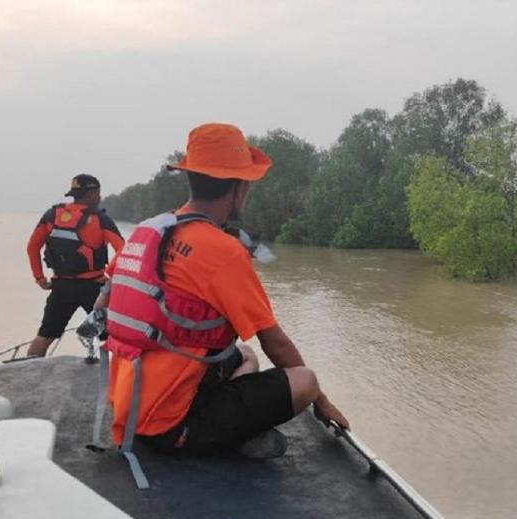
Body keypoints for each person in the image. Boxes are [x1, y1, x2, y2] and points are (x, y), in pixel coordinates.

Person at [105, 123, 349, 460]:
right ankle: (224, 437)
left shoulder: (149, 232)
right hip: (170, 428)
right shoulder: (223, 251)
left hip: (129, 408)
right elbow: (274, 341)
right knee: (305, 380)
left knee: (243, 354)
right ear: (238, 190)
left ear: (191, 178)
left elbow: (109, 292)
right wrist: (321, 402)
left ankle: (227, 425)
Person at [26, 174, 124, 357]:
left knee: (45, 335)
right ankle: (116, 379)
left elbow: (32, 247)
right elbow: (123, 250)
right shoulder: (100, 219)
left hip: (61, 286)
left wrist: (39, 277)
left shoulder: (52, 215)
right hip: (94, 287)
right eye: (98, 193)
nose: (100, 197)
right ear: (91, 194)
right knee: (113, 336)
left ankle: (25, 373)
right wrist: (110, 276)